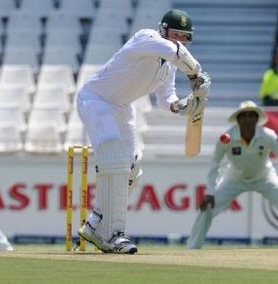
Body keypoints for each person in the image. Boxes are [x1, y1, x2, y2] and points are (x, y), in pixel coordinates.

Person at [75, 9, 211, 254]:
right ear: (163, 30)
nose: (178, 40)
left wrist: (185, 105)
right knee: (114, 159)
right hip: (95, 99)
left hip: (122, 108)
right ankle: (115, 235)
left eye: (183, 36)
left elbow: (166, 99)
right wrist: (196, 74)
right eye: (174, 34)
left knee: (133, 168)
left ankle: (96, 222)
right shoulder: (145, 37)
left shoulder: (168, 68)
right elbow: (174, 51)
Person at [187, 100, 278, 249]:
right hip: (234, 178)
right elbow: (215, 163)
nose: (248, 119)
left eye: (252, 115)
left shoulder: (268, 135)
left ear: (257, 119)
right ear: (238, 119)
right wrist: (210, 192)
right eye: (244, 116)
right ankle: (193, 248)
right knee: (207, 206)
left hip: (264, 177)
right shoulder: (227, 137)